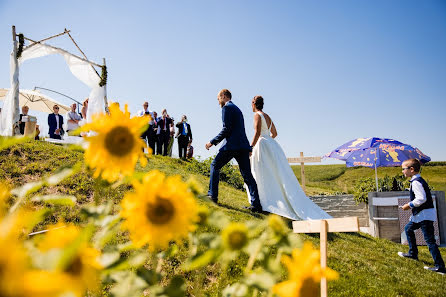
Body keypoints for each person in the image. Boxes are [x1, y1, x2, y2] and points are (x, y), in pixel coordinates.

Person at [247, 95, 331, 220]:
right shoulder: (268, 117)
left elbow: (257, 132)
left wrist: (251, 147)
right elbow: (274, 133)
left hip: (262, 146)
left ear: (254, 104)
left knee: (261, 173)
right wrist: (269, 140)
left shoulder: (257, 115)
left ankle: (264, 203)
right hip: (272, 146)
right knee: (274, 174)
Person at [205, 89, 261, 212]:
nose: (218, 101)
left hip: (231, 145)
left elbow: (226, 129)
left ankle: (212, 195)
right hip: (243, 146)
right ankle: (256, 205)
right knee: (247, 176)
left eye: (218, 98)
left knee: (215, 165)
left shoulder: (226, 108)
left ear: (224, 96)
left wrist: (212, 142)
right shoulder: (237, 109)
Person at [398, 158, 445, 274]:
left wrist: (409, 205)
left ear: (412, 169)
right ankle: (413, 254)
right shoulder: (416, 181)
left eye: (404, 169)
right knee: (408, 229)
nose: (403, 171)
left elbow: (421, 198)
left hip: (424, 215)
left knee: (429, 241)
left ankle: (440, 267)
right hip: (421, 215)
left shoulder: (416, 182)